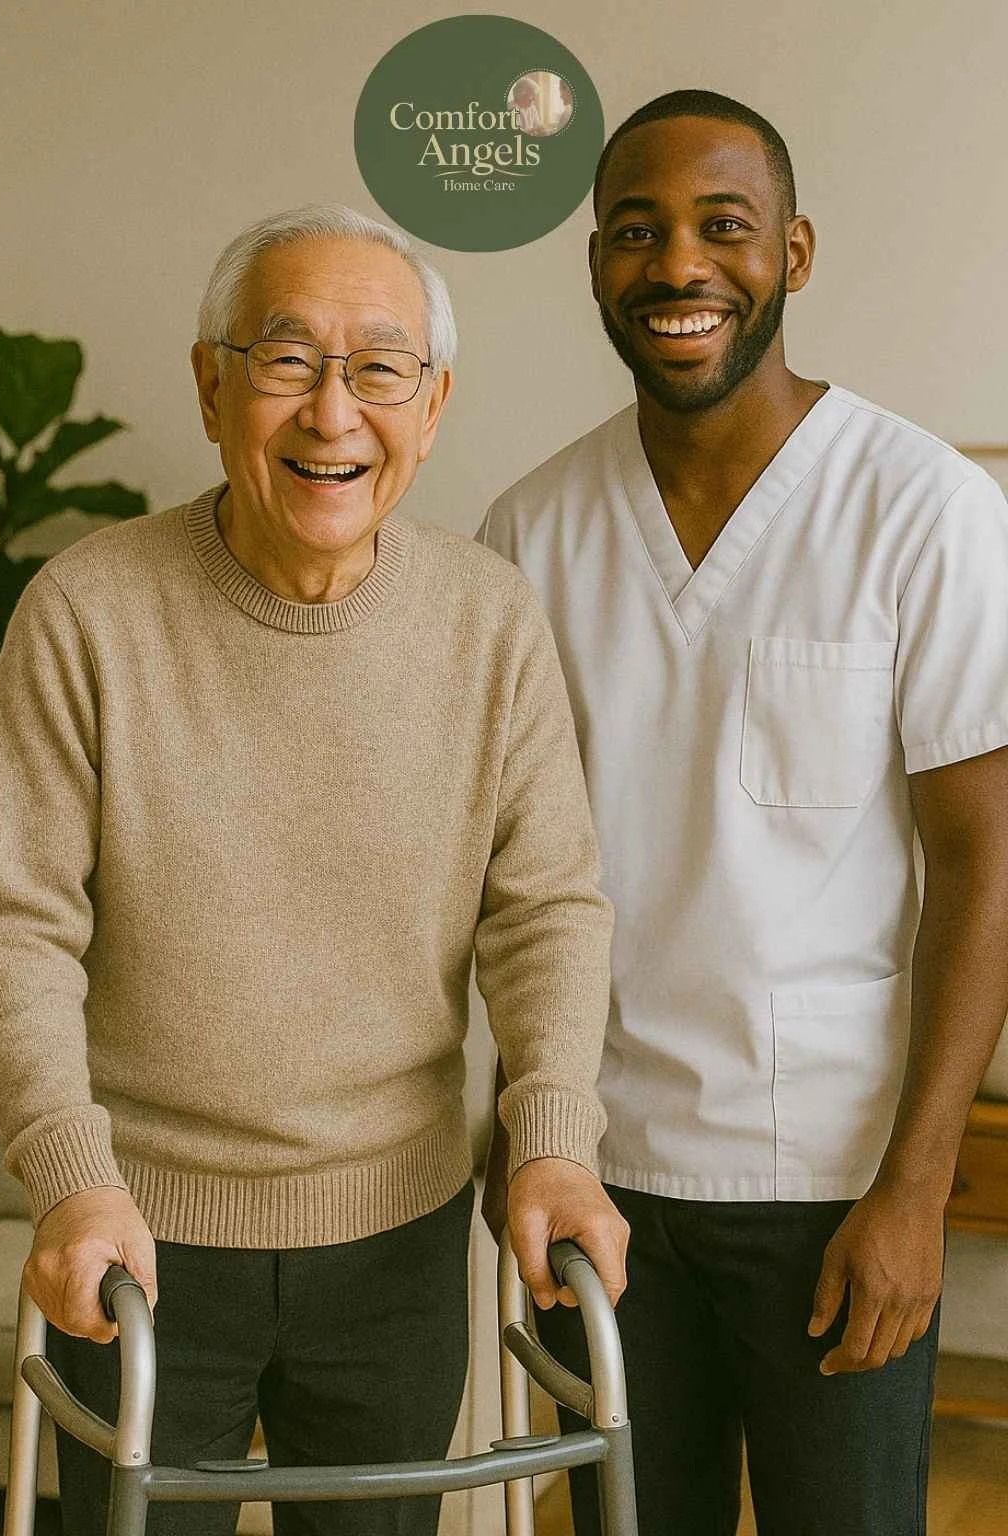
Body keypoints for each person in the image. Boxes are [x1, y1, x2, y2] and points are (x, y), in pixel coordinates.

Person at [0, 203, 629, 1536]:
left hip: (398, 1236)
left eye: (379, 367)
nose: (334, 412)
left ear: (432, 405)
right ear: (213, 387)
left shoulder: (489, 620)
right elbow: (14, 925)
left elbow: (546, 907)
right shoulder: (89, 610)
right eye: (286, 359)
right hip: (138, 1239)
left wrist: (554, 1135)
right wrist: (71, 1172)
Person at [480, 90, 1008, 1536]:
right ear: (595, 263)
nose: (680, 266)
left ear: (797, 252)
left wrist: (917, 1191)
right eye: (637, 232)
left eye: (725, 227)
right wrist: (527, 1129)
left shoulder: (922, 509)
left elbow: (986, 857)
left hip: (834, 1182)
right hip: (605, 1176)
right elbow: (510, 873)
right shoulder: (531, 532)